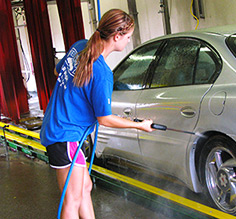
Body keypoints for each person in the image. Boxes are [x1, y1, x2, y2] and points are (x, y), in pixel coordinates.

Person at [40, 9, 154, 219]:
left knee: (85, 186)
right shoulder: (102, 73)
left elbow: (58, 72)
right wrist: (139, 125)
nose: (128, 42)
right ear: (117, 36)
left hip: (57, 128)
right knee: (72, 199)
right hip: (66, 135)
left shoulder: (80, 46)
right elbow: (105, 119)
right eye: (128, 37)